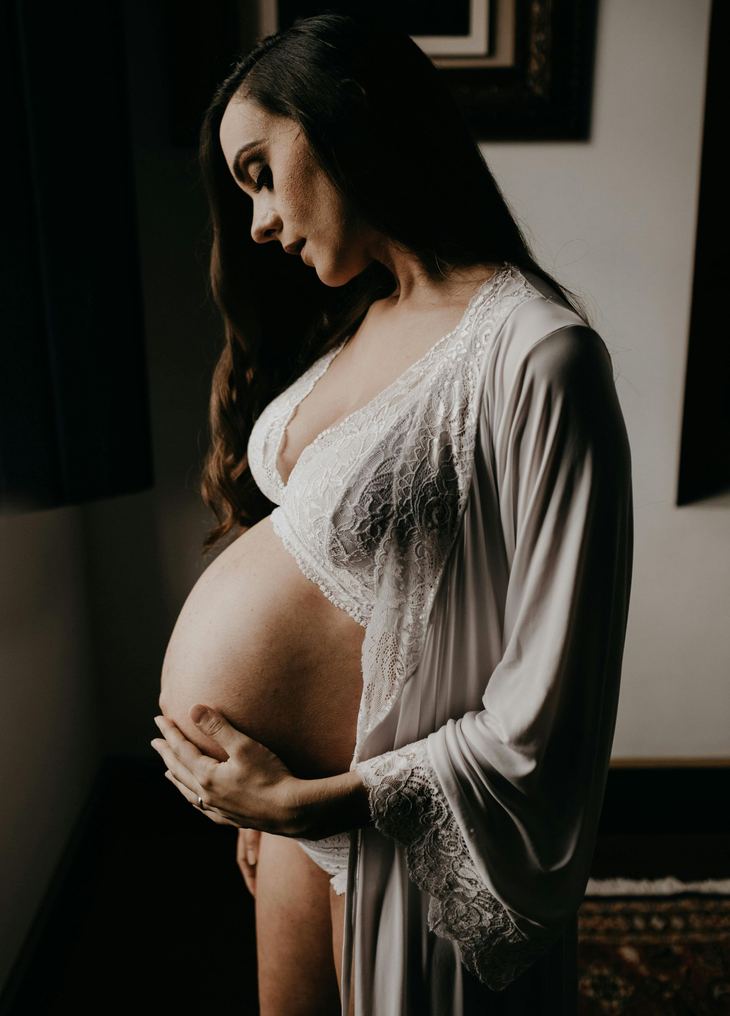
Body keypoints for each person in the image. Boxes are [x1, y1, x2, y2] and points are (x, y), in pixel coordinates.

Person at [150, 12, 633, 1016]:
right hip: (290, 824)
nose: (259, 223)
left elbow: (554, 708)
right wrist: (271, 807)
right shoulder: (361, 317)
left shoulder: (541, 358)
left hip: (392, 837)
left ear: (345, 115)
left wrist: (305, 796)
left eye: (259, 172)